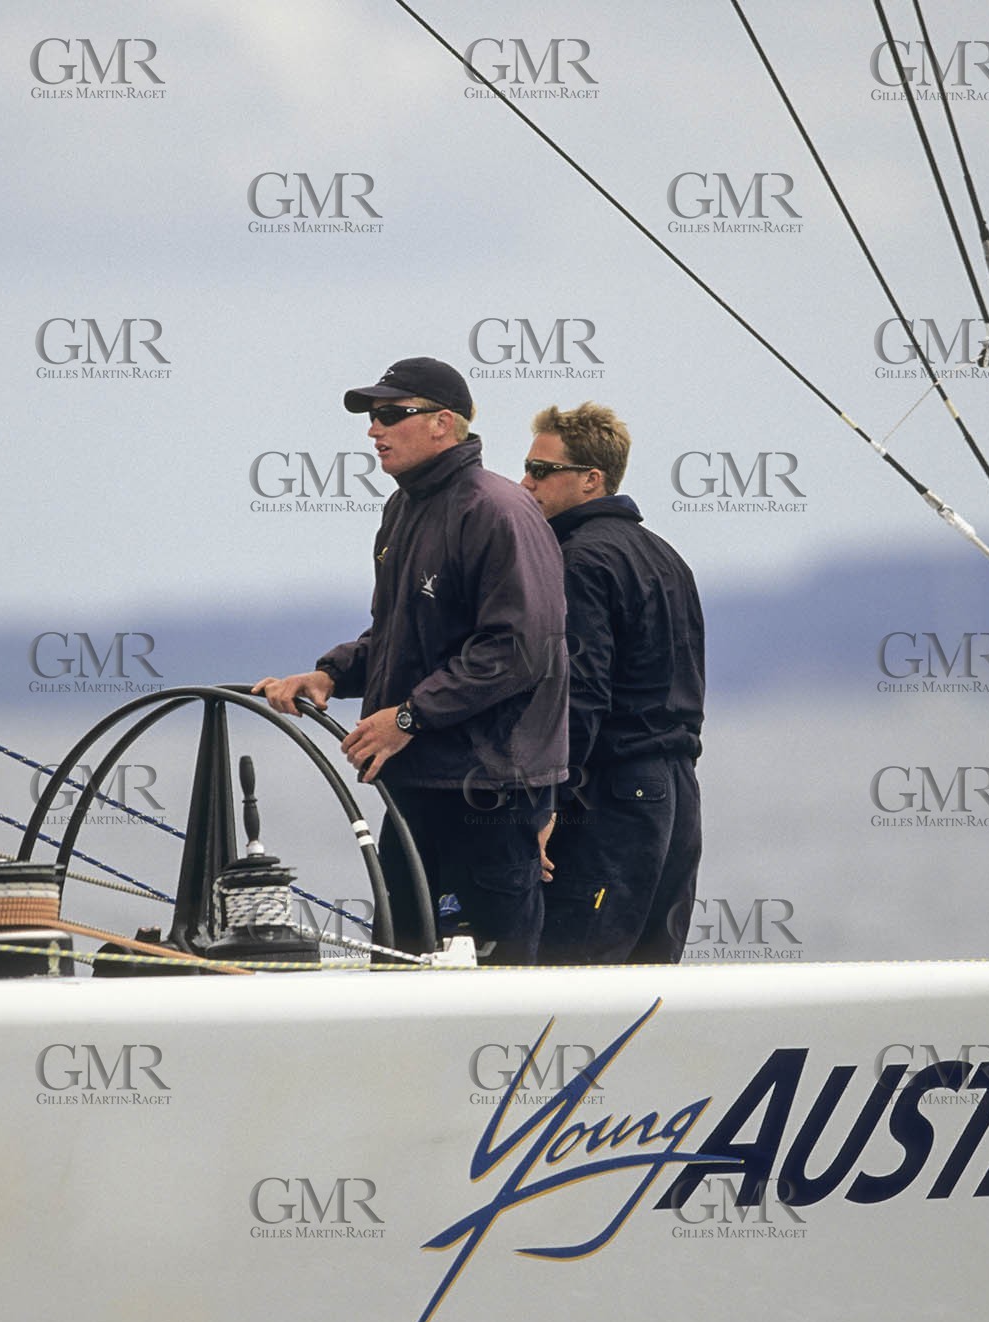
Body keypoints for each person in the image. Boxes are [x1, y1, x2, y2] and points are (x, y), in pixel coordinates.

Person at [254, 356, 568, 964]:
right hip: (419, 789)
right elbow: (400, 636)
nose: (375, 430)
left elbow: (517, 650)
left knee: (491, 988)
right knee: (398, 969)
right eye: (373, 417)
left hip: (489, 795)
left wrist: (405, 719)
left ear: (443, 424)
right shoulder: (404, 509)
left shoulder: (496, 509)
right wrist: (331, 675)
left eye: (392, 415)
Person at [521, 401, 704, 964]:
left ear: (591, 480)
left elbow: (579, 695)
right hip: (677, 796)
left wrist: (547, 804)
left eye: (540, 471)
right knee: (649, 978)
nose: (524, 483)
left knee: (575, 974)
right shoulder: (668, 557)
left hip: (607, 797)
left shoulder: (578, 560)